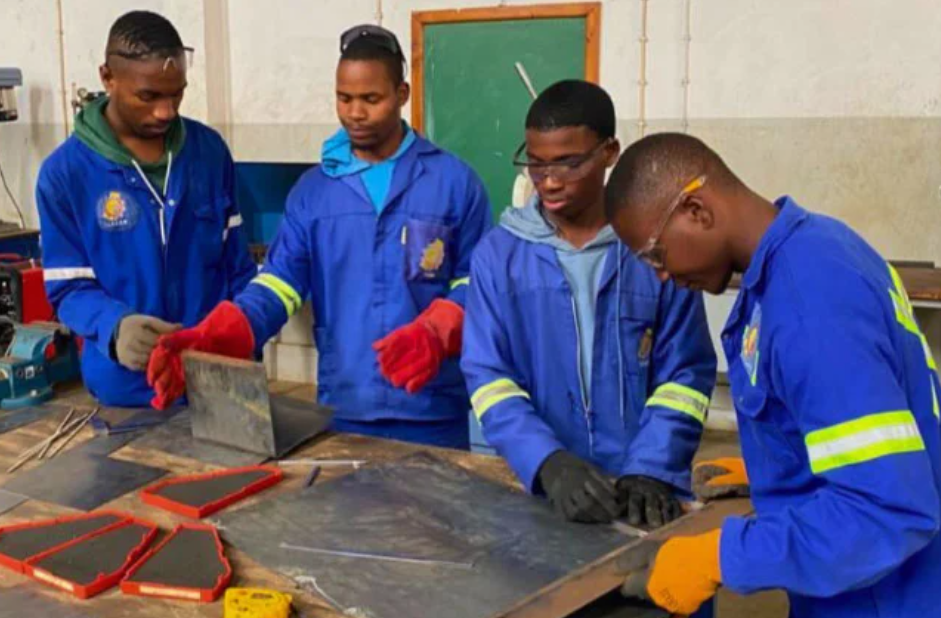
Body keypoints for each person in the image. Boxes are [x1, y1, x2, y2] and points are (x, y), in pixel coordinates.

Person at [608, 132, 941, 617]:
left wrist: (721, 556)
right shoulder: (814, 247)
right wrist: (781, 468)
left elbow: (885, 511)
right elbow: (873, 421)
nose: (660, 276)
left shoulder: (808, 301)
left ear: (696, 211)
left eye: (656, 255)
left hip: (886, 596)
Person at [147, 25, 491, 449]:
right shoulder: (315, 193)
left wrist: (438, 330)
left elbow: (477, 283)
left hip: (432, 409)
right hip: (346, 410)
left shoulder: (453, 183)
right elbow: (279, 284)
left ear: (402, 95)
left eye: (371, 99)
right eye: (344, 99)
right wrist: (220, 335)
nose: (355, 114)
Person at [460, 81, 717, 527]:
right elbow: (488, 377)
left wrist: (651, 467)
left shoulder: (653, 250)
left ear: (610, 152)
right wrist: (545, 461)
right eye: (536, 166)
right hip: (537, 488)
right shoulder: (498, 258)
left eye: (568, 163)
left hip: (641, 495)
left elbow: (686, 375)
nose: (550, 182)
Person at [37, 10, 255, 407]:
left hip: (216, 378)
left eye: (177, 93)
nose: (166, 111)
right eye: (148, 96)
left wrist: (241, 339)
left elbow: (237, 267)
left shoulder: (208, 152)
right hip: (127, 389)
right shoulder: (65, 175)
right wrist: (114, 326)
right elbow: (68, 287)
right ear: (108, 78)